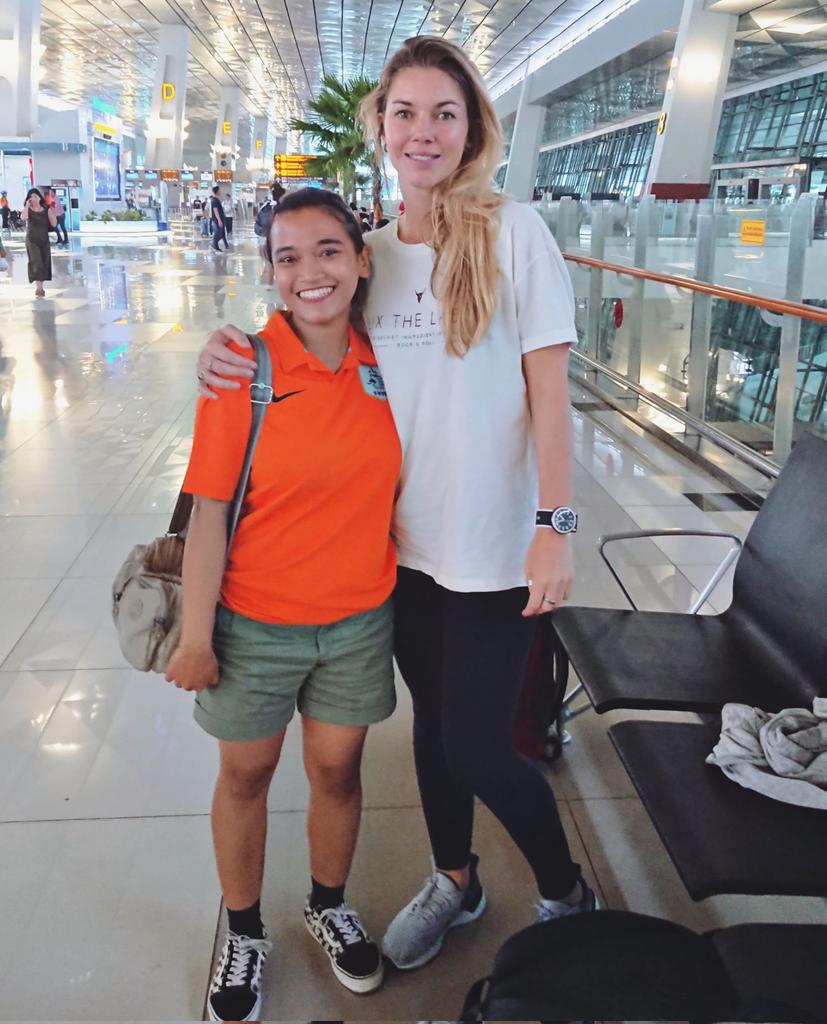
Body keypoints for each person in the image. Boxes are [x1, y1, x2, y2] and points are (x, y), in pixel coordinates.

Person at [195, 35, 595, 974]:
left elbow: (549, 394)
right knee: (429, 736)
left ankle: (563, 887)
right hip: (402, 552)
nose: (423, 132)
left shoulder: (513, 233)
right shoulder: (369, 256)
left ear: (470, 130)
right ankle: (455, 880)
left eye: (443, 114)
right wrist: (219, 350)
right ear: (380, 126)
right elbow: (298, 330)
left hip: (497, 547)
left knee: (479, 745)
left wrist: (555, 526)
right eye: (405, 113)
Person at [166, 187, 401, 1021]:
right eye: (288, 256)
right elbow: (208, 513)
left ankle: (327, 901)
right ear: (269, 272)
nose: (310, 272)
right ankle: (242, 927)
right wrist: (196, 635)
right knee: (247, 772)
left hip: (358, 620)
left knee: (336, 768)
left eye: (329, 250)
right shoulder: (244, 371)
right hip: (254, 621)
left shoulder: (390, 362)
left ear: (361, 258)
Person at [20, 188, 56, 298]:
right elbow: (23, 217)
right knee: (36, 262)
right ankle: (39, 288)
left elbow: (54, 224)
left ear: (40, 197)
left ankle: (41, 285)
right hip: (32, 240)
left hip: (44, 240)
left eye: (35, 196)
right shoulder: (28, 210)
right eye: (31, 197)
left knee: (44, 262)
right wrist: (26, 206)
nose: (33, 198)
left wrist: (51, 213)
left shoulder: (46, 209)